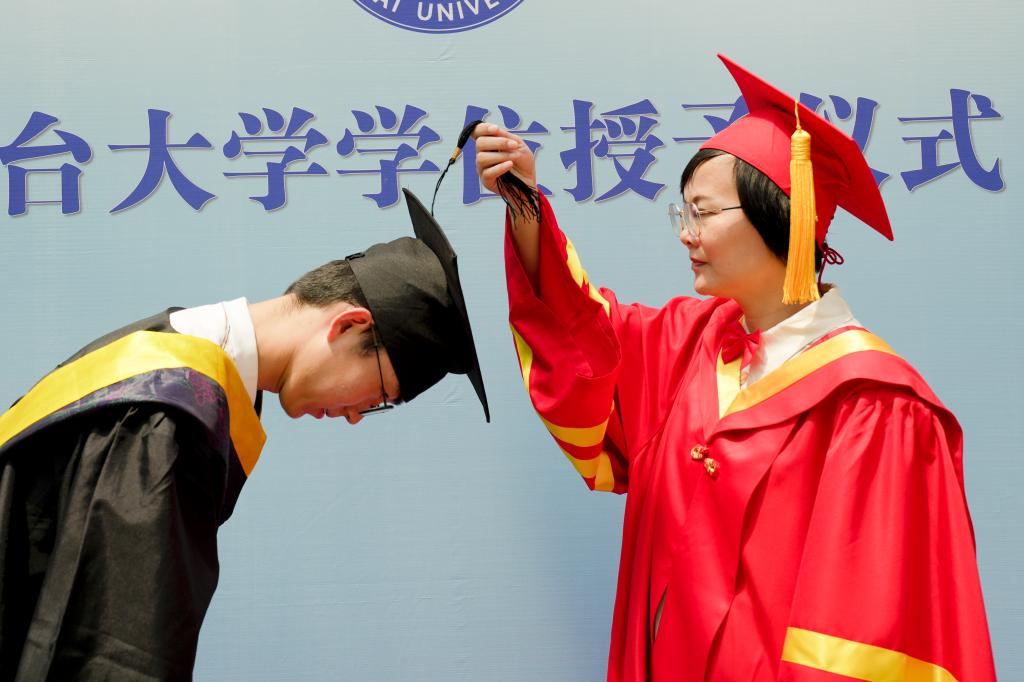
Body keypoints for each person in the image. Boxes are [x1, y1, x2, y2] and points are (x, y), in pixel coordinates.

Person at [474, 55, 995, 680]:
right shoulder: (686, 347)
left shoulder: (874, 406)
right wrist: (524, 204)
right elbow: (582, 335)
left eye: (704, 212)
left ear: (782, 215)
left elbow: (859, 637)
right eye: (683, 213)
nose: (685, 233)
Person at [0, 189, 488, 680]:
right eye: (380, 394)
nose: (358, 416)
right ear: (348, 326)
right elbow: (117, 655)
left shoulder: (168, 344)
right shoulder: (169, 411)